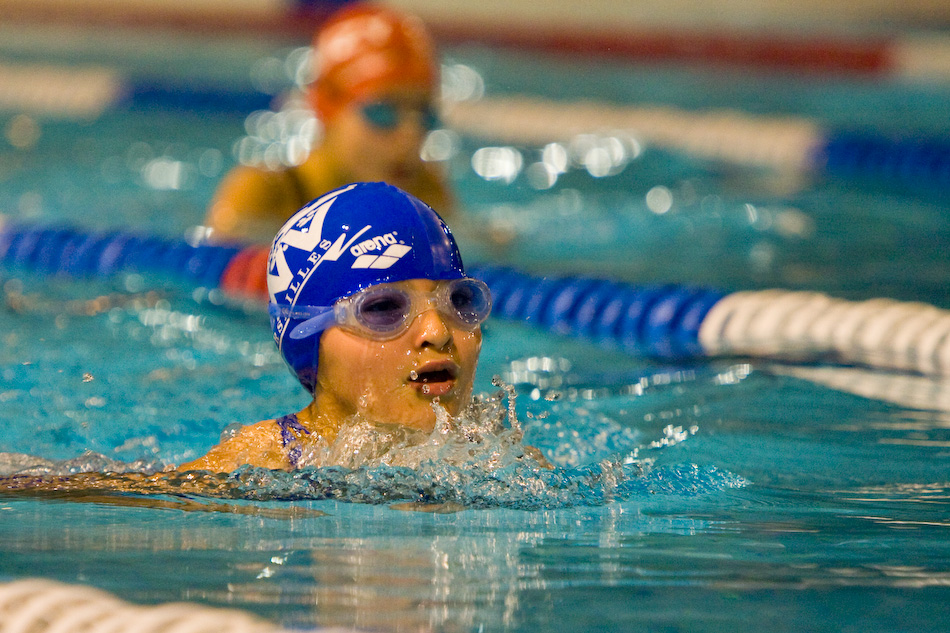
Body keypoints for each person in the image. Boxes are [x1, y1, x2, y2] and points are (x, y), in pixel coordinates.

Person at [180, 182, 488, 472]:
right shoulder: (259, 464)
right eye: (383, 308)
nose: (437, 332)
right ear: (309, 335)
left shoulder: (491, 447)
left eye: (459, 301)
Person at [204, 3, 452, 245]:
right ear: (326, 106)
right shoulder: (264, 196)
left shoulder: (424, 193)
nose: (411, 134)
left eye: (424, 113)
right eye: (383, 112)